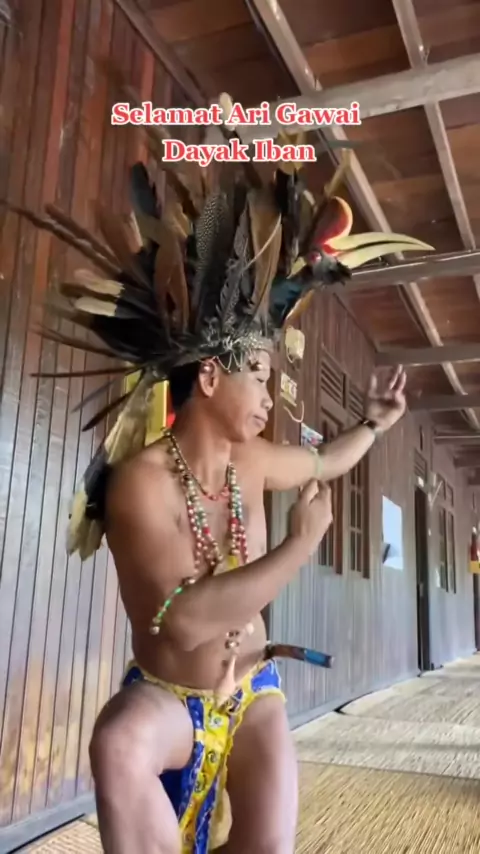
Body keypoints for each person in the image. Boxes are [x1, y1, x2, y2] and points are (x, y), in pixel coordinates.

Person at [14, 113, 427, 853]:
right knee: (117, 744)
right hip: (170, 698)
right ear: (209, 376)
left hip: (252, 692)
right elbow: (183, 622)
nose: (270, 396)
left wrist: (374, 424)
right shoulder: (138, 485)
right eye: (260, 375)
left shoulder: (254, 460)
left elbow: (327, 462)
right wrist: (300, 546)